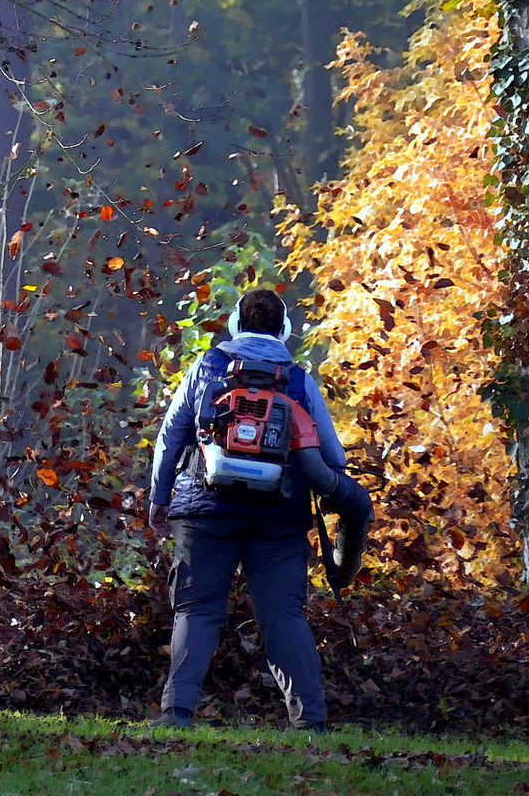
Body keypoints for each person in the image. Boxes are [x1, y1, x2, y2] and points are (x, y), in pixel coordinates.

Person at [146, 287, 373, 732]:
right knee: (284, 615)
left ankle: (176, 716)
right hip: (279, 515)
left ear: (235, 323)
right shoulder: (298, 379)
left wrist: (159, 497)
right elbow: (335, 456)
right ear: (284, 329)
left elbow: (170, 437)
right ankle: (311, 723)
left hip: (205, 510)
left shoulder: (204, 367)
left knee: (197, 610)